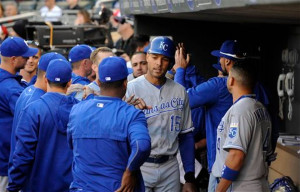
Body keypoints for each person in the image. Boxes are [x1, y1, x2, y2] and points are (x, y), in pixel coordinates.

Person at [67, 56, 151, 191]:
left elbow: (71, 144)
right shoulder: (131, 114)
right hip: (117, 187)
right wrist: (130, 172)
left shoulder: (77, 110)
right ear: (125, 83)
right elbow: (142, 146)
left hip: (83, 187)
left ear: (98, 82)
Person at [126, 36, 196, 192]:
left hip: (170, 166)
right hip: (140, 165)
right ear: (147, 58)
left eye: (164, 59)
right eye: (155, 57)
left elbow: (186, 135)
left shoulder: (179, 91)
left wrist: (189, 176)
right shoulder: (131, 89)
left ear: (170, 62)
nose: (158, 63)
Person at [7, 59, 78, 192]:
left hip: (37, 186)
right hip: (70, 186)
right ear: (69, 82)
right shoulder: (80, 109)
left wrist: (14, 185)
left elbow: (23, 154)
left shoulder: (33, 109)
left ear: (45, 78)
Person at [211, 60, 272, 192]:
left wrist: (219, 190)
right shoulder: (260, 107)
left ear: (231, 80)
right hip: (258, 181)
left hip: (242, 185)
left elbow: (236, 156)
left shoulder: (241, 110)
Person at [9, 52, 67, 171]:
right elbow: (25, 149)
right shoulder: (37, 102)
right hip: (31, 173)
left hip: (25, 170)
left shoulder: (28, 91)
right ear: (48, 76)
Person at [0, 37, 38, 192]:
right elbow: (32, 118)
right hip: (5, 163)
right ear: (13, 59)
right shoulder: (10, 89)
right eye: (24, 56)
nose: (29, 58)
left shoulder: (9, 82)